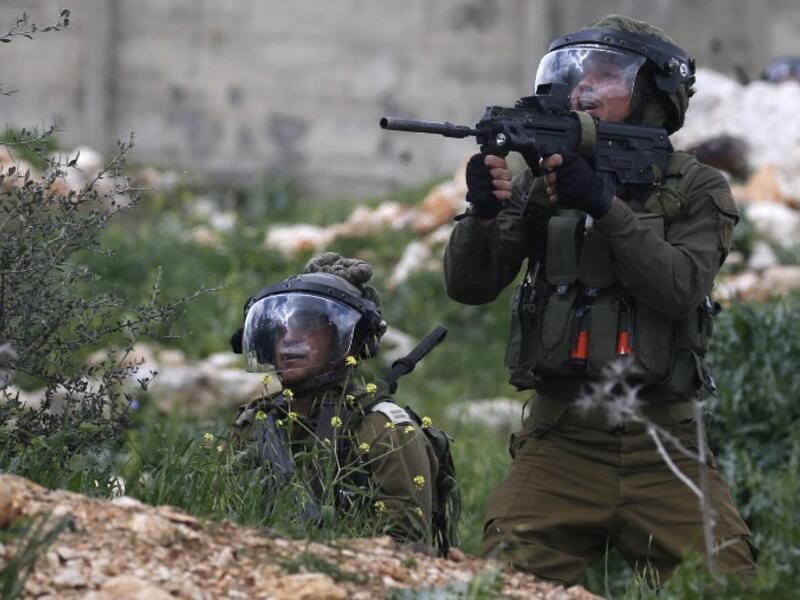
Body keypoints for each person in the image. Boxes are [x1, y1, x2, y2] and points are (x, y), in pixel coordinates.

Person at [443, 15, 756, 585]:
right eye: (575, 73)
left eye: (606, 75)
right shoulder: (545, 182)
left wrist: (604, 205)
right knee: (497, 585)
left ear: (654, 99)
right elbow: (470, 285)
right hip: (560, 438)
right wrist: (483, 214)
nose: (583, 87)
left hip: (665, 445)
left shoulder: (697, 187)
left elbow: (681, 286)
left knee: (729, 585)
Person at [230, 252, 457, 552]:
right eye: (280, 328)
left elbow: (408, 551)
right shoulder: (256, 424)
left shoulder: (385, 431)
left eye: (309, 326)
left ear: (345, 338)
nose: (290, 339)